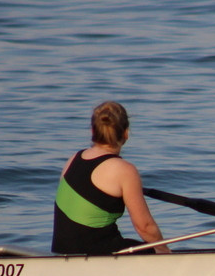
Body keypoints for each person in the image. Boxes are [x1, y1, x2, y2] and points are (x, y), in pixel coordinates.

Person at [52, 101, 170, 254]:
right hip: (98, 255)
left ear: (92, 131)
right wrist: (164, 251)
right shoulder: (124, 170)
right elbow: (145, 227)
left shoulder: (73, 159)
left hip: (62, 253)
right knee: (153, 249)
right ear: (126, 133)